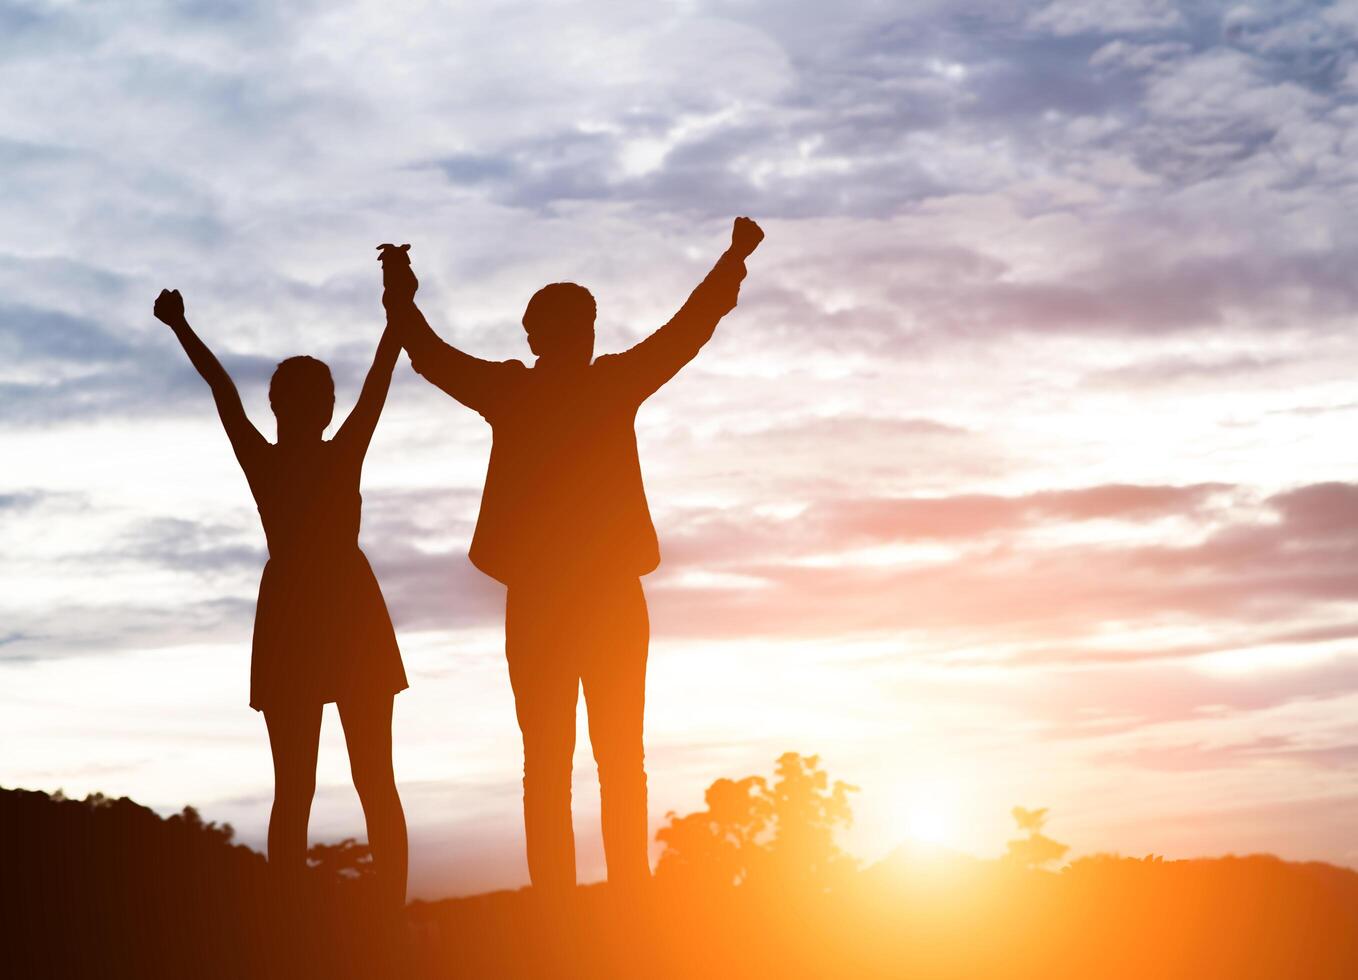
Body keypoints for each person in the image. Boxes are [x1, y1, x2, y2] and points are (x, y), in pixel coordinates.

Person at [382, 217, 765, 895]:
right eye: (576, 329)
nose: (579, 340)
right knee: (609, 762)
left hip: (555, 599)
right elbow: (690, 328)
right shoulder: (599, 383)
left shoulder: (520, 390)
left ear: (535, 337)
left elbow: (429, 354)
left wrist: (401, 297)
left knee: (559, 766)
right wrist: (732, 259)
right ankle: (614, 905)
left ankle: (574, 907)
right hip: (594, 598)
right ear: (570, 335)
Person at [153, 274, 409, 913]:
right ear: (316, 408)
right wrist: (398, 306)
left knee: (308, 785)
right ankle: (366, 919)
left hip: (320, 613)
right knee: (355, 781)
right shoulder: (333, 452)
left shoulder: (273, 458)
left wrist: (181, 326)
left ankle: (306, 922)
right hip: (328, 612)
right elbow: (378, 377)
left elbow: (222, 389)